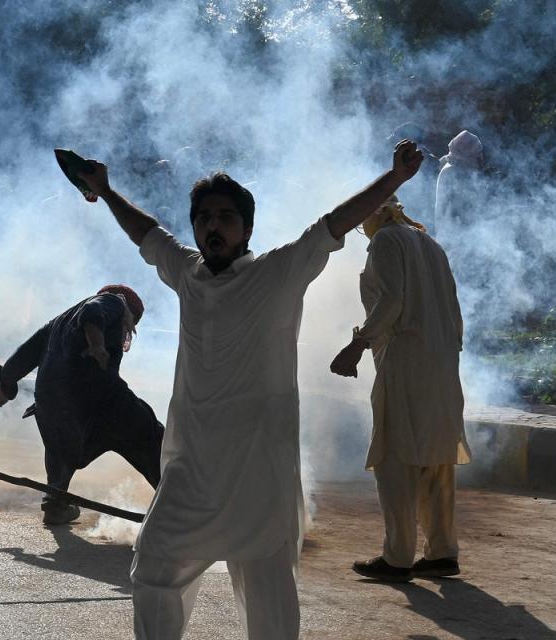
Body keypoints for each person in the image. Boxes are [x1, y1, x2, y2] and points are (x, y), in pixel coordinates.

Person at [74, 141, 424, 640]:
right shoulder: (187, 272)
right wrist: (106, 192)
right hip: (192, 468)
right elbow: (146, 233)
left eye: (225, 217)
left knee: (268, 601)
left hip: (258, 470)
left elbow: (334, 223)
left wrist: (394, 180)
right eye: (205, 218)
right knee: (154, 568)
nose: (213, 226)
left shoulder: (277, 272)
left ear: (247, 229)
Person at [330, 195, 470, 583]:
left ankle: (397, 557)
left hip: (407, 359)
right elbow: (455, 313)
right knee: (436, 459)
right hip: (442, 362)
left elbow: (392, 299)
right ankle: (442, 553)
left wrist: (357, 345)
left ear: (376, 214)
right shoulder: (430, 243)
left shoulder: (387, 241)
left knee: (395, 457)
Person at [0, 285, 165, 525]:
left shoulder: (56, 324)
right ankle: (179, 505)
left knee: (60, 452)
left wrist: (3, 390)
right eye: (134, 319)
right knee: (152, 438)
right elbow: (93, 310)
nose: (130, 328)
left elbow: (23, 356)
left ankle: (56, 503)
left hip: (52, 404)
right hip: (100, 397)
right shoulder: (113, 301)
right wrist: (97, 344)